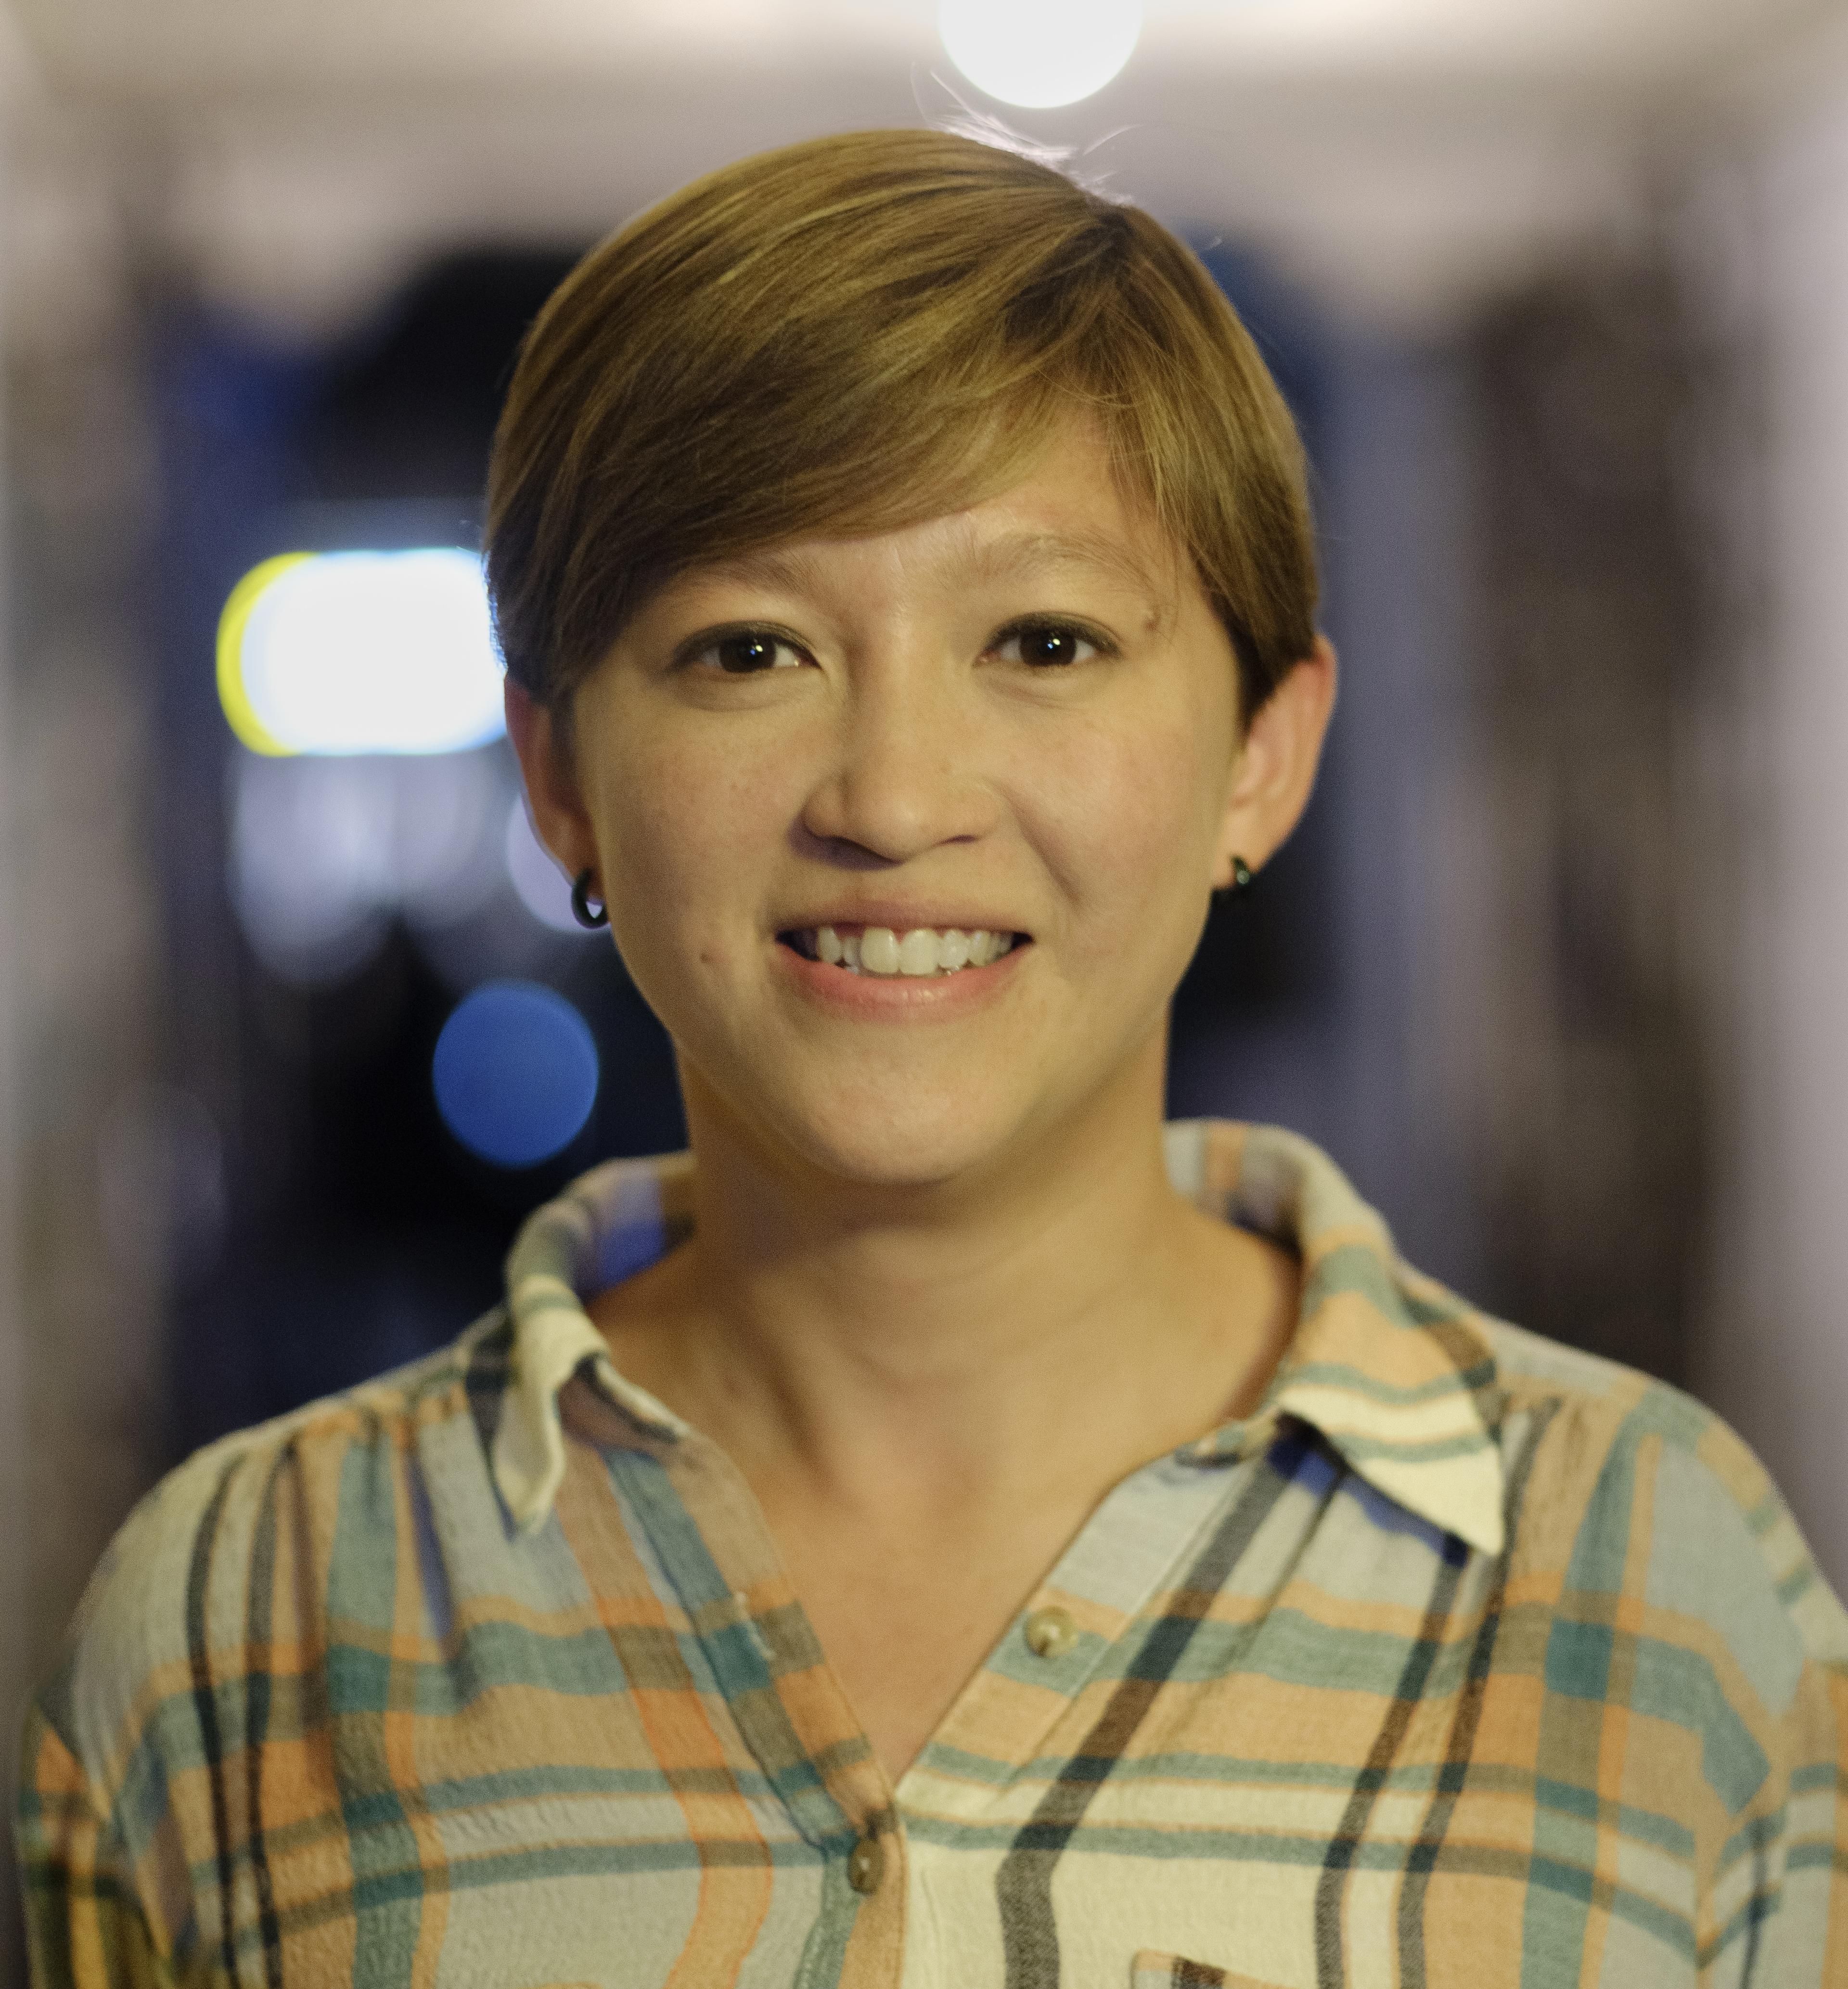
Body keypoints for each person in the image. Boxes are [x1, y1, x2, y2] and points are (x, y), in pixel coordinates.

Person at [17, 129, 1848, 1989]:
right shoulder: (236, 1623)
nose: (893, 800)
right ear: (564, 776)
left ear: (1262, 757)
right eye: (748, 650)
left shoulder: (1652, 1584)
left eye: (1043, 640)